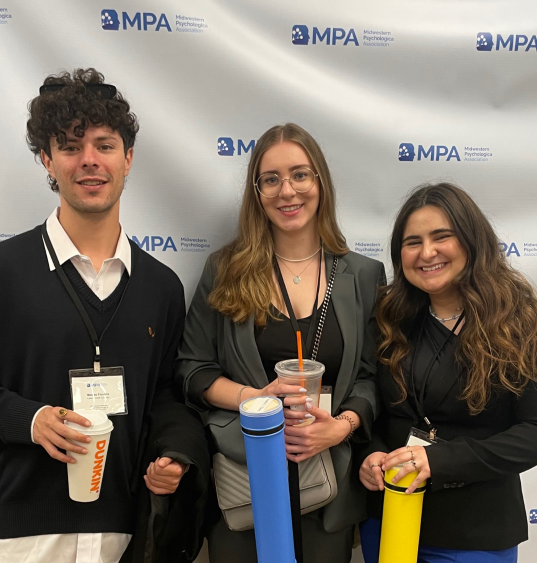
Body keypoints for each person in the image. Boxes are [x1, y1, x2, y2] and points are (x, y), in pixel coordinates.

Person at [0, 68, 208, 563]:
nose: (89, 161)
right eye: (69, 146)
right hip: (29, 535)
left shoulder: (161, 286)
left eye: (104, 145)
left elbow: (169, 394)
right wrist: (30, 419)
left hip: (131, 531)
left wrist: (175, 454)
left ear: (128, 159)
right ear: (47, 161)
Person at [176, 123, 385, 563]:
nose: (286, 191)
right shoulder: (225, 269)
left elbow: (371, 379)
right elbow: (192, 369)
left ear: (320, 182)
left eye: (300, 175)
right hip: (245, 484)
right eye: (271, 179)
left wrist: (341, 426)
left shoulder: (363, 275)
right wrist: (255, 399)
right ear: (257, 192)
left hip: (329, 484)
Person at [359, 183, 537, 563]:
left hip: (475, 531)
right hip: (389, 517)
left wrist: (438, 462)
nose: (427, 253)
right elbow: (376, 409)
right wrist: (372, 453)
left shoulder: (517, 322)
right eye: (413, 242)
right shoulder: (389, 319)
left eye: (442, 237)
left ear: (472, 241)